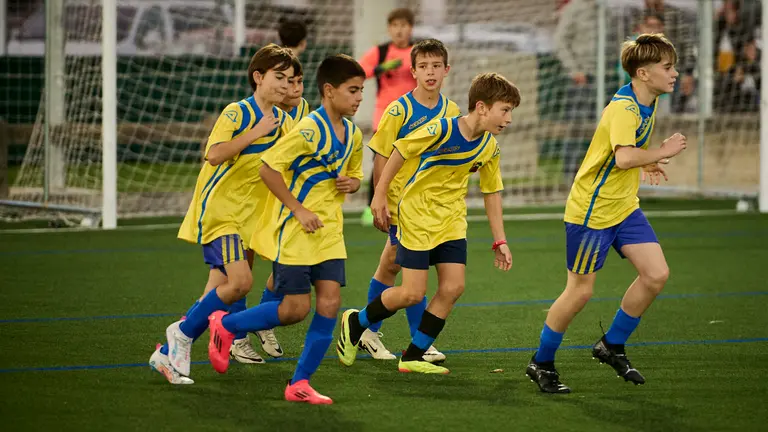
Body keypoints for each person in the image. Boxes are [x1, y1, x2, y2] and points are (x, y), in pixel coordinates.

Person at [526, 34, 687, 394]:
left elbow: (630, 151)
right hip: (591, 214)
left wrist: (649, 159)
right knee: (580, 293)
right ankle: (541, 361)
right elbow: (623, 157)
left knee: (656, 274)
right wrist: (662, 151)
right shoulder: (625, 108)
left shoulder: (646, 98)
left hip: (624, 208)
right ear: (644, 73)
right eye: (667, 67)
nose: (674, 73)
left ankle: (611, 345)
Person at [207, 54, 366, 405]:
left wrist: (351, 183)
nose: (358, 98)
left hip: (330, 234)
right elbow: (268, 168)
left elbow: (355, 174)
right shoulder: (308, 128)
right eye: (352, 90)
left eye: (362, 91)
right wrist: (298, 209)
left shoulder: (353, 133)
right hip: (295, 232)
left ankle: (300, 383)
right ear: (329, 90)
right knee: (295, 310)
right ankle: (227, 326)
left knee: (330, 303)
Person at [336, 72, 519, 374]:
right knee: (412, 294)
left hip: (451, 221)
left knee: (453, 287)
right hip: (417, 217)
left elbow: (492, 192)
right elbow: (399, 151)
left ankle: (413, 355)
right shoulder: (443, 129)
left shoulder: (489, 147)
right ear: (483, 107)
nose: (509, 119)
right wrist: (379, 194)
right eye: (505, 110)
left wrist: (500, 240)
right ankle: (356, 321)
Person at [148, 44, 297, 383]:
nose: (286, 85)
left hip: (249, 219)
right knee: (241, 282)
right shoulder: (237, 112)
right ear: (258, 77)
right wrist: (255, 133)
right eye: (279, 77)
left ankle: (168, 355)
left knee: (214, 295)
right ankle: (183, 336)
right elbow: (213, 154)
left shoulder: (286, 122)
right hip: (221, 213)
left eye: (290, 79)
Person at [359, 38, 459, 362]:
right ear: (413, 71)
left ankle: (366, 332)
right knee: (404, 267)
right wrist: (380, 196)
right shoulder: (399, 109)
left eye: (436, 66)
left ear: (446, 69)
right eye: (423, 66)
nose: (430, 72)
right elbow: (381, 154)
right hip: (403, 203)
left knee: (392, 264)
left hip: (431, 206)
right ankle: (417, 341)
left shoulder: (452, 111)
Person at [357, 7, 417, 226]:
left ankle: (410, 203)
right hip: (384, 116)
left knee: (414, 161)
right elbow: (360, 72)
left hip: (413, 117)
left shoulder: (418, 52)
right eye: (395, 26)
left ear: (410, 29)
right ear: (389, 29)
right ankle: (371, 207)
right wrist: (382, 67)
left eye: (404, 26)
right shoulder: (380, 52)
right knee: (380, 162)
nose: (399, 31)